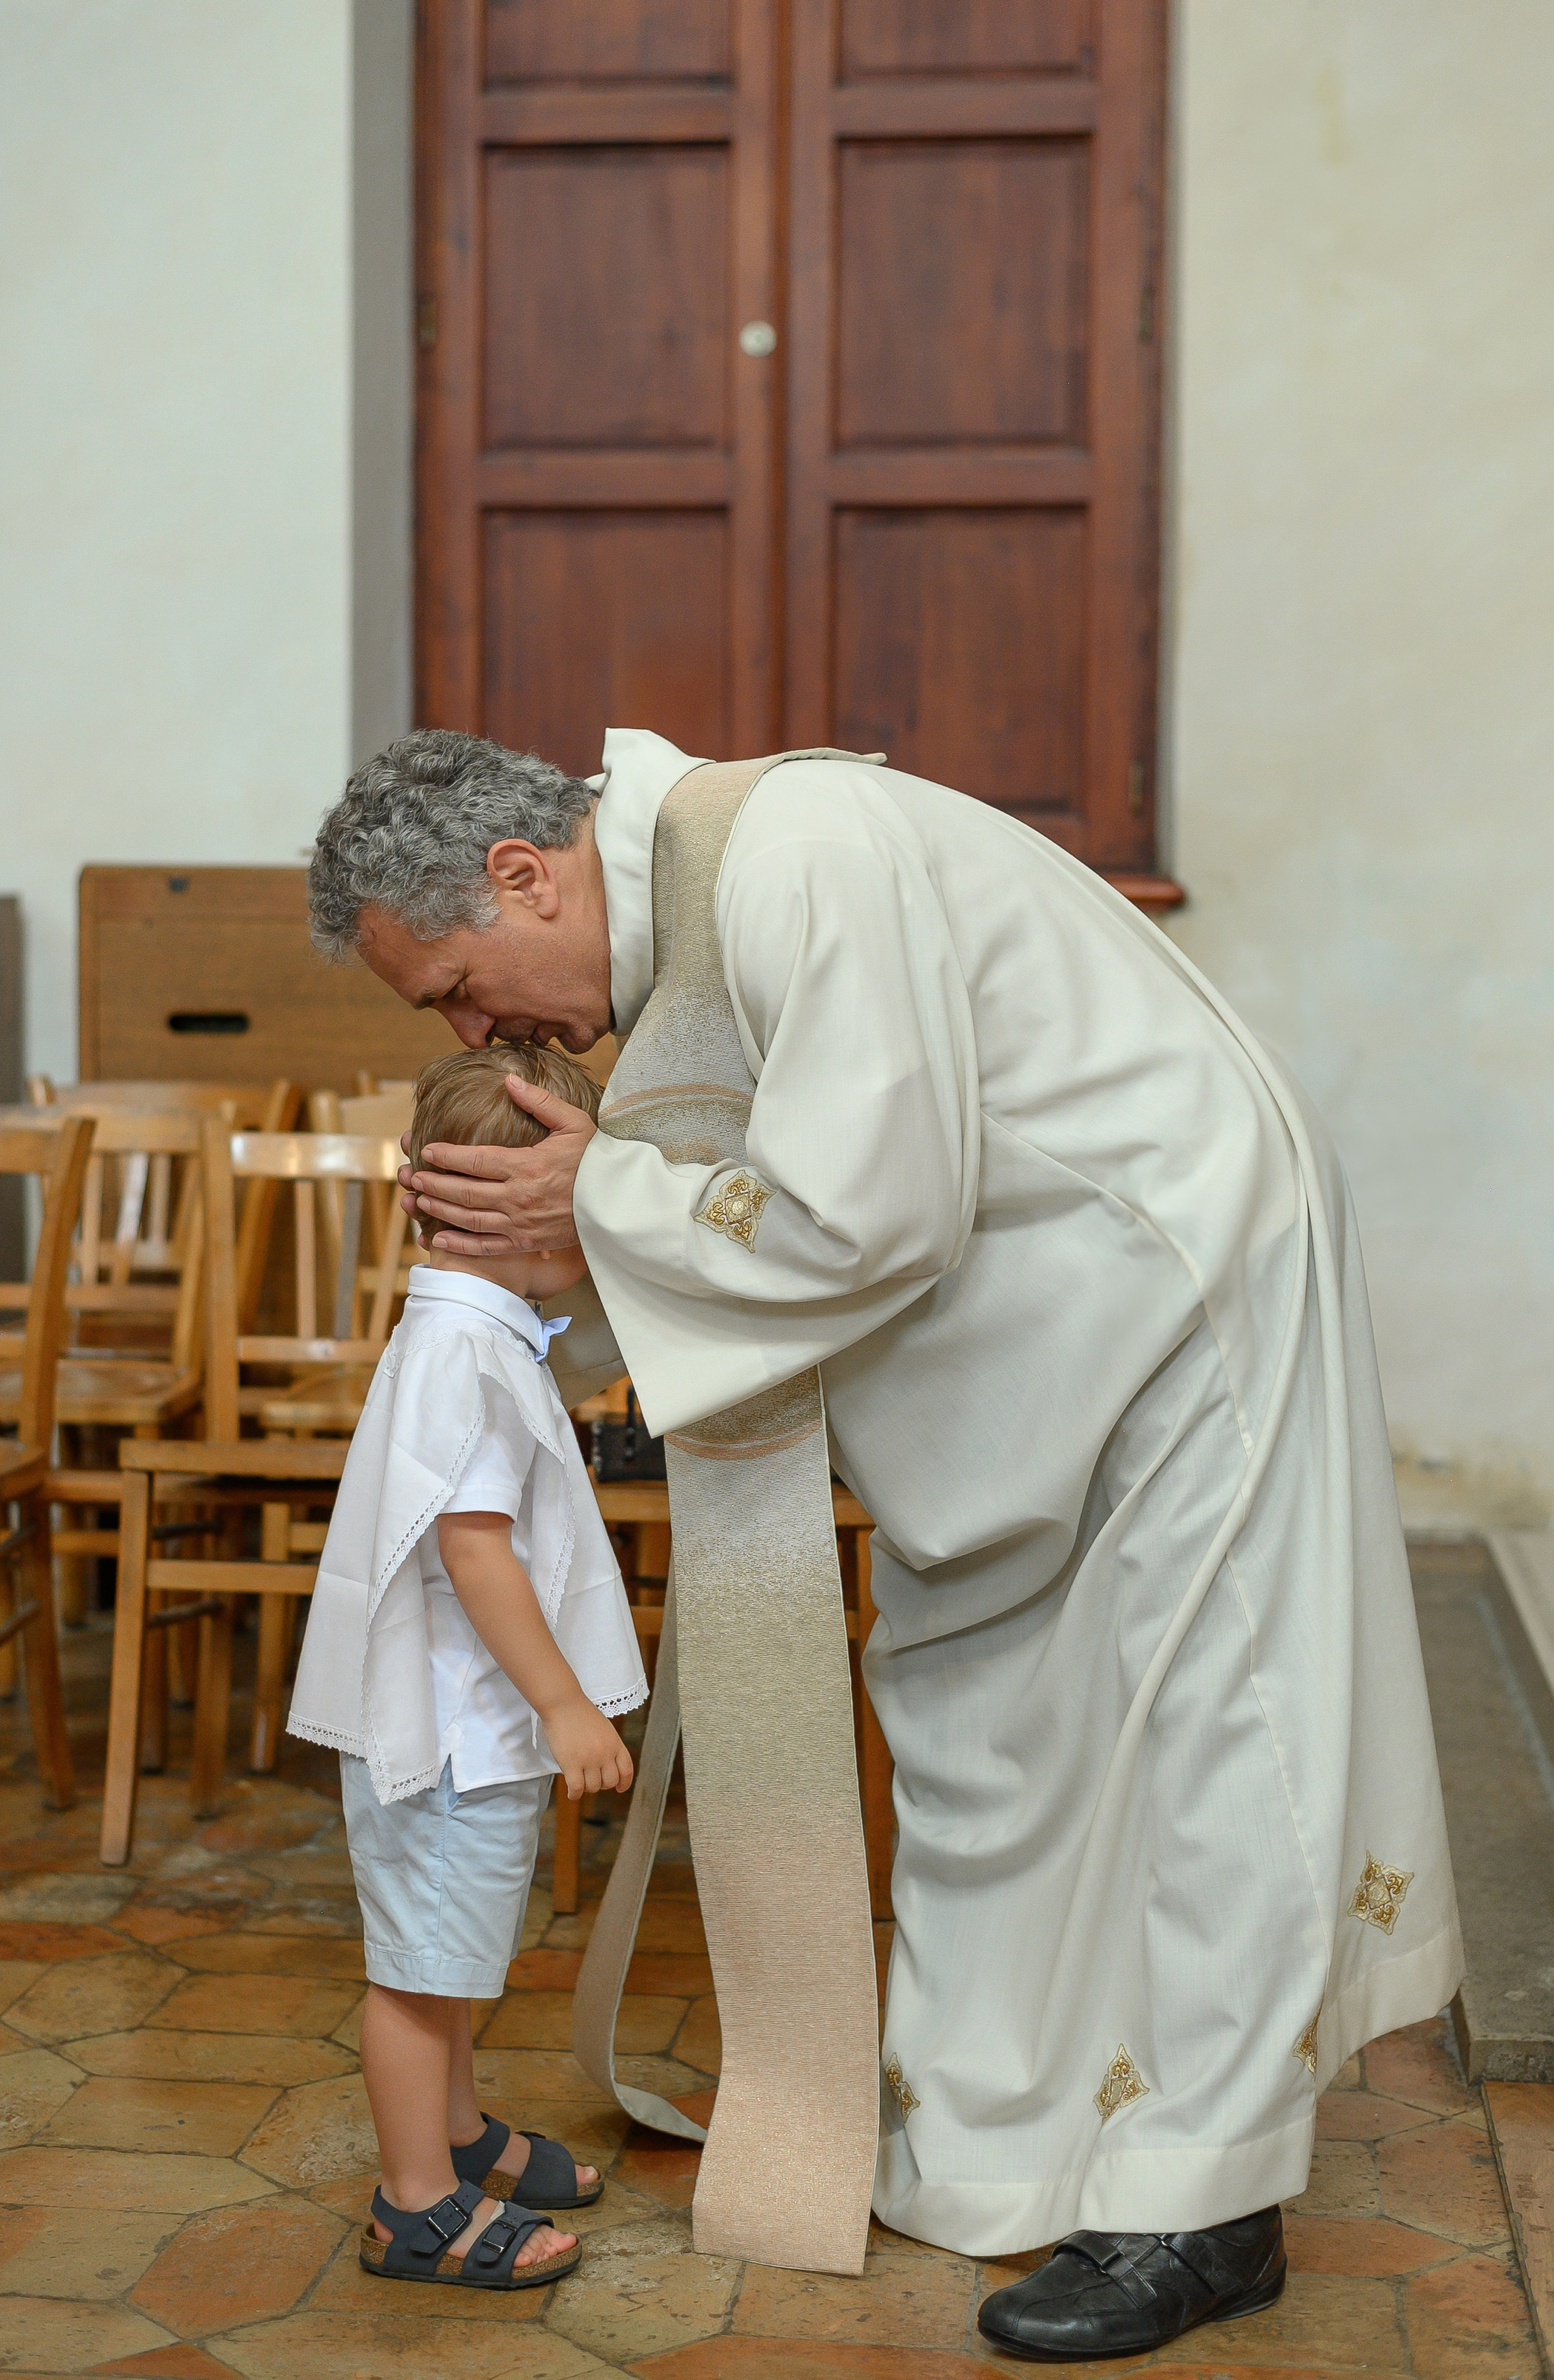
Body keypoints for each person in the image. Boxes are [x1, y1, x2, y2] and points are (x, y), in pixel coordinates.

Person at [304, 726, 1462, 2359]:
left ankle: (1206, 2200)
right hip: (1033, 1341)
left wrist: (607, 1205)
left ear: (522, 873)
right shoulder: (697, 925)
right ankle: (1005, 2136)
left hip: (1178, 1281)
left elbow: (873, 1204)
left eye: (453, 989)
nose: (475, 1028)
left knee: (1209, 1722)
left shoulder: (795, 850)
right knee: (978, 1712)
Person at [287, 1041, 648, 2295]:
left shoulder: (479, 1331)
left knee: (445, 1956)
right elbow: (473, 1543)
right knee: (416, 1970)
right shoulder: (465, 1353)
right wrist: (560, 1700)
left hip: (453, 1729)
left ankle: (452, 2129)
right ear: (512, 1217)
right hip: (446, 1731)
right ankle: (416, 2204)